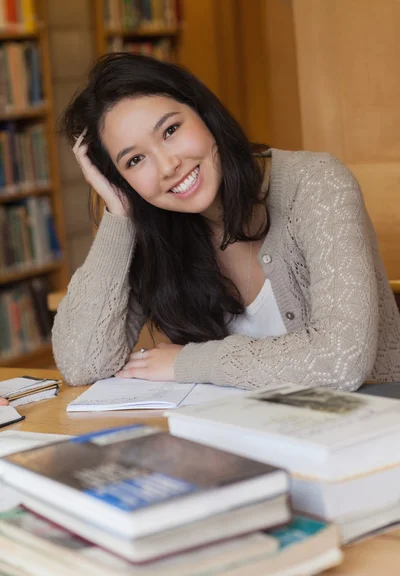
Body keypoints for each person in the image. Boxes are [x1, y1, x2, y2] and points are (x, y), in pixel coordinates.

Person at [51, 52, 400, 392]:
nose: (167, 165)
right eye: (135, 160)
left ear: (203, 113)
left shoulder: (315, 183)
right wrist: (118, 215)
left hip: (369, 430)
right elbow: (81, 364)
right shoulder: (154, 227)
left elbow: (341, 360)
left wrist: (188, 362)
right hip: (239, 437)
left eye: (170, 130)